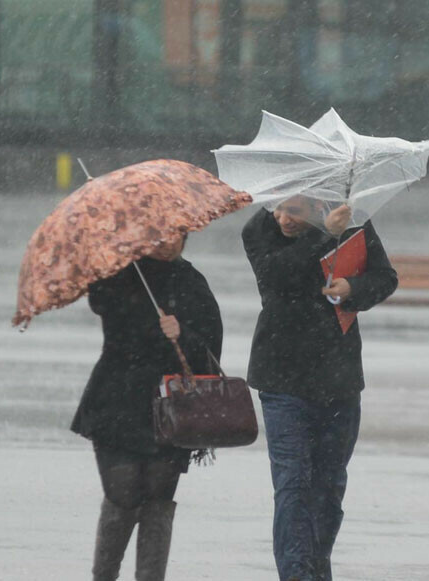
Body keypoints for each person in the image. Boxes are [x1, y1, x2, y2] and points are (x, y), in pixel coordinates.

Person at [241, 198, 397, 581]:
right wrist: (326, 233)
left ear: (314, 200)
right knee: (292, 485)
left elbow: (385, 277)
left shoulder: (355, 222)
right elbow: (277, 275)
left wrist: (354, 288)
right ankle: (297, 575)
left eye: (293, 210)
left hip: (339, 377)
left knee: (328, 490)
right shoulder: (258, 229)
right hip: (282, 380)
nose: (283, 218)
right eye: (278, 208)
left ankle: (316, 568)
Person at [70, 236, 224, 581]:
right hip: (116, 399)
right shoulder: (119, 271)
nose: (170, 242)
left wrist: (180, 332)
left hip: (171, 406)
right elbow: (101, 303)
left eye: (179, 234)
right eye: (162, 234)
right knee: (122, 490)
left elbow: (211, 351)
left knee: (158, 497)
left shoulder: (191, 281)